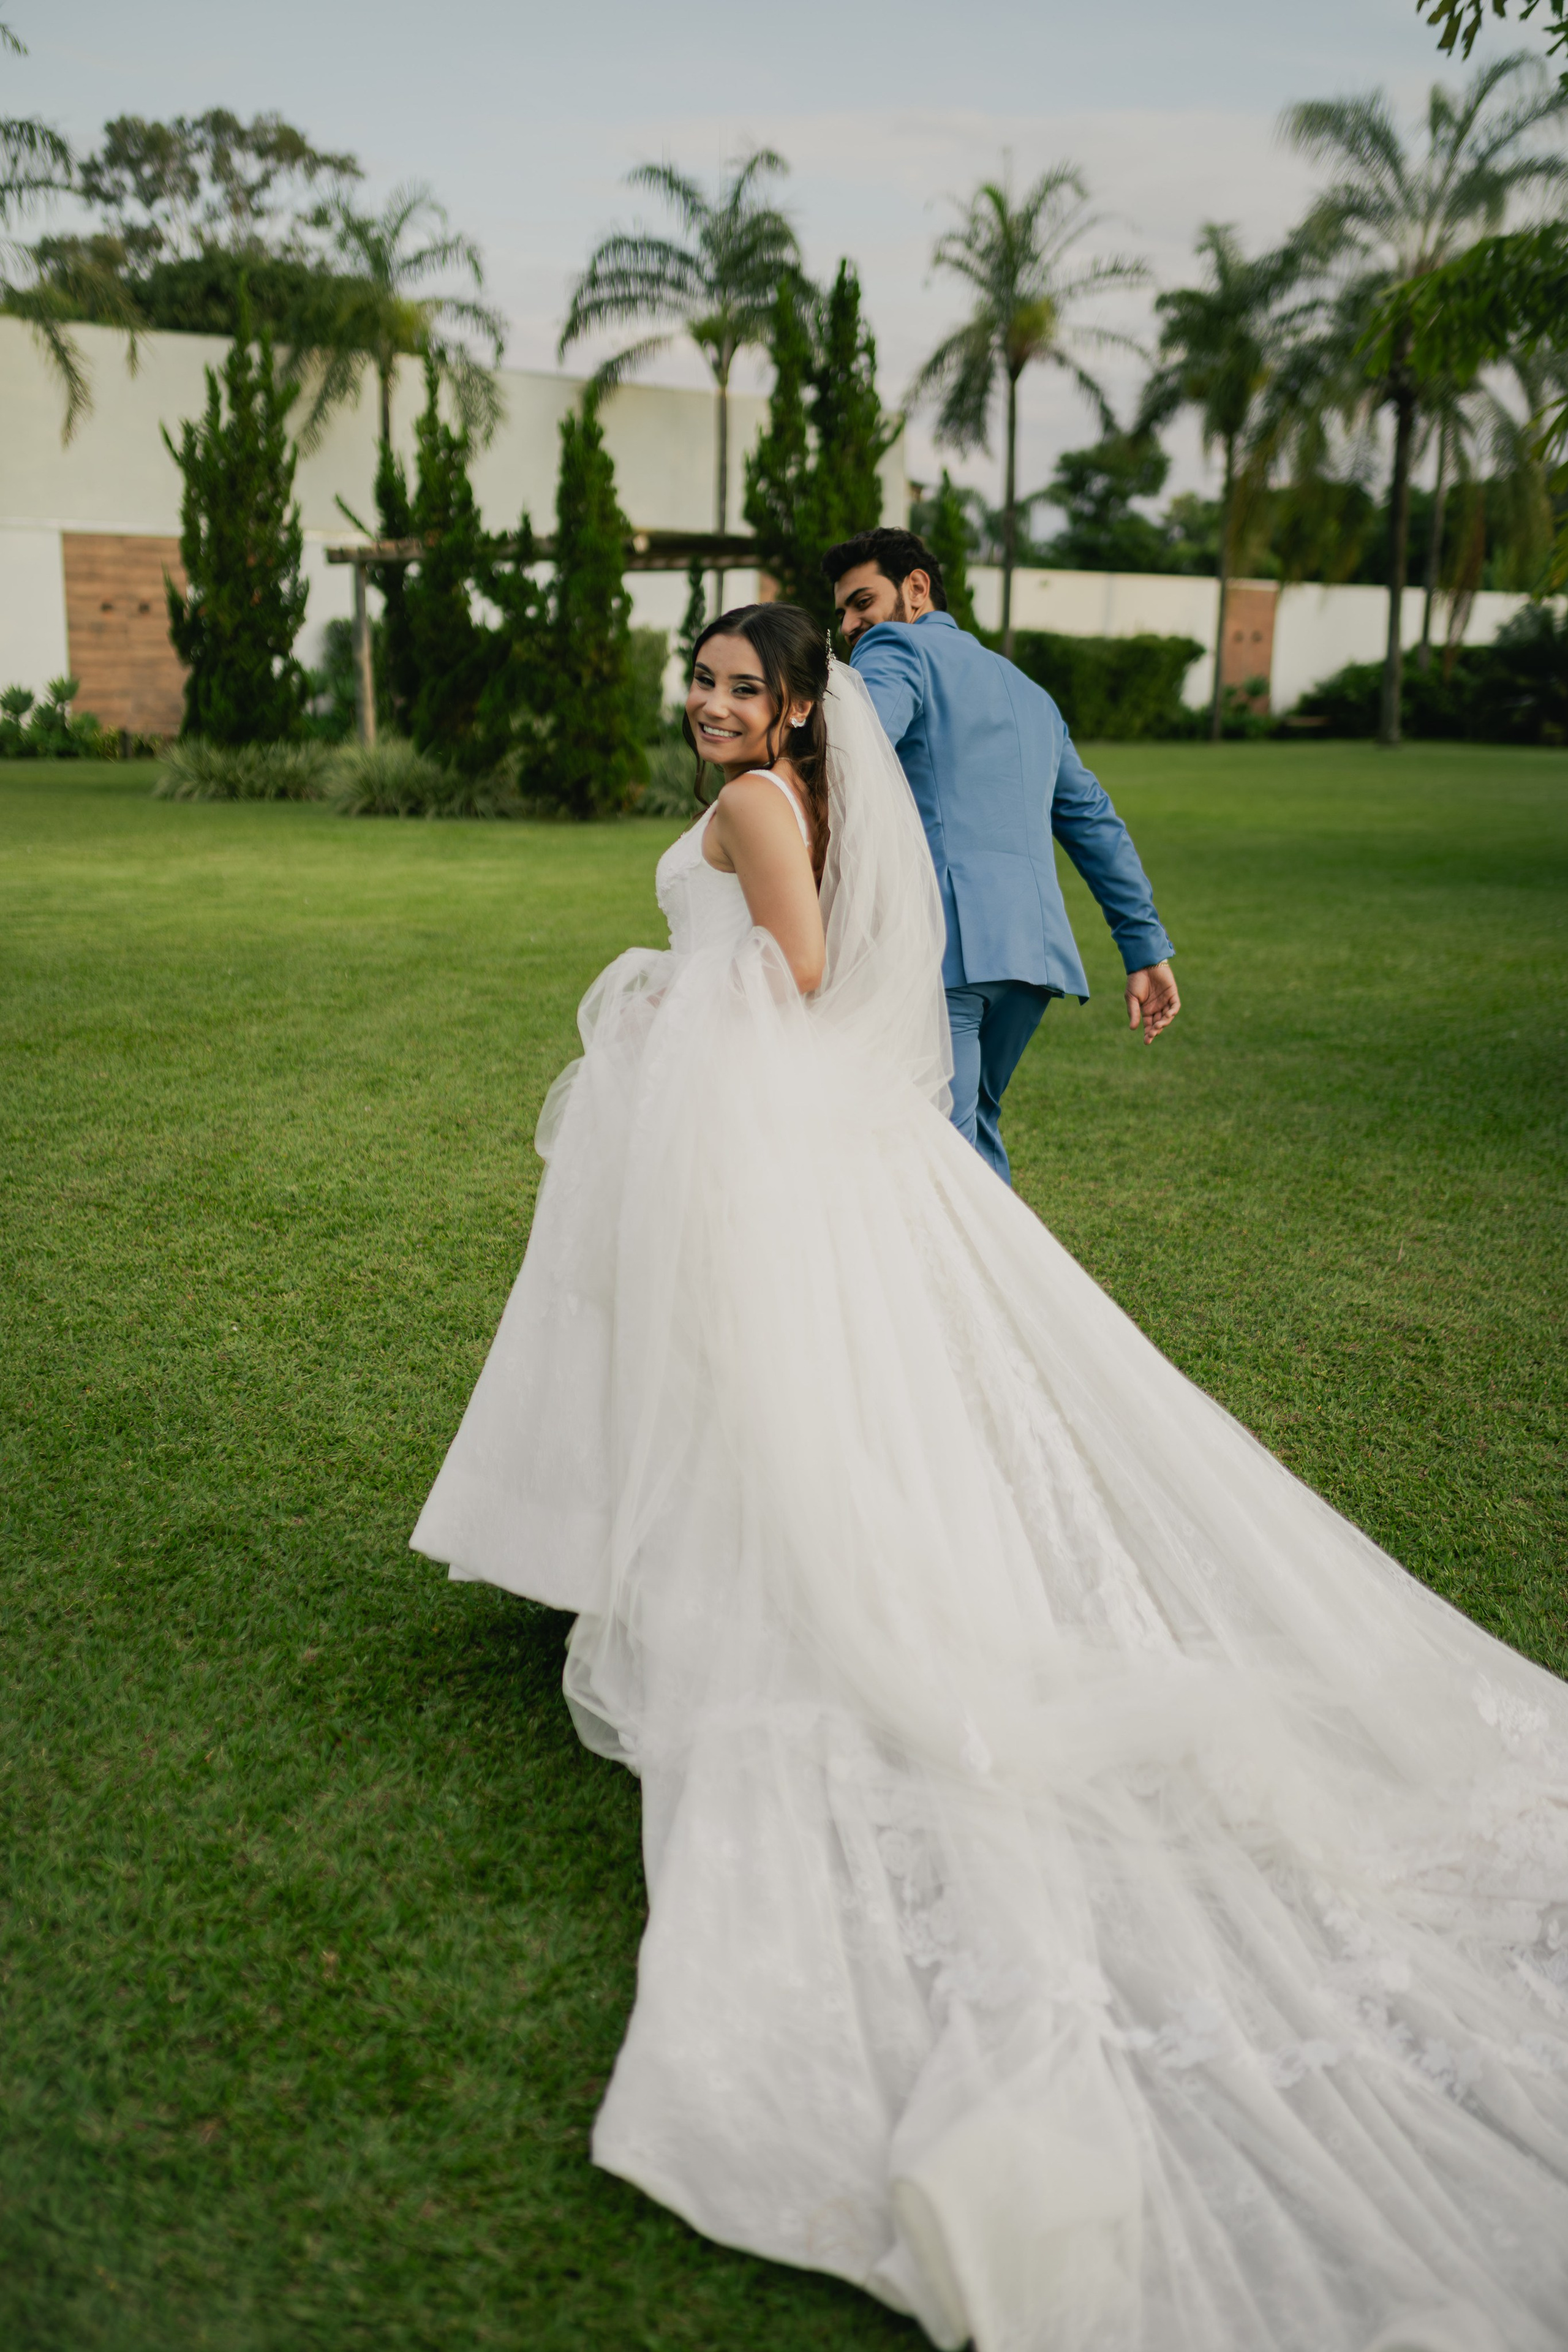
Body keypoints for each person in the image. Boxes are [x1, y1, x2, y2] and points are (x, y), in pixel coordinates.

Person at [411, 601, 1568, 2352]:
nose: (715, 706)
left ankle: (734, 1574)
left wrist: (650, 990)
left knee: (759, 1385)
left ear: (799, 706)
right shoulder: (812, 789)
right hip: (816, 1138)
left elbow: (791, 975)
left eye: (745, 686)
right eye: (705, 681)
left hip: (763, 1134)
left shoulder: (757, 810)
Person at [825, 525, 1180, 1186]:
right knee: (971, 1137)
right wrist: (1144, 948)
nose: (849, 624)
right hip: (1028, 960)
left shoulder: (893, 647)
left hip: (941, 948)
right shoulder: (1028, 692)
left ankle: (976, 1291)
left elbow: (854, 753)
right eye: (843, 611)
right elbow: (1092, 819)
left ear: (916, 588)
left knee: (942, 1156)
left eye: (861, 602)